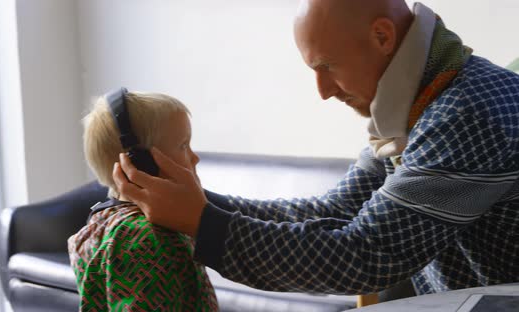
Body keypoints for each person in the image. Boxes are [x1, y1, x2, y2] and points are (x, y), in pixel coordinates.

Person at [112, 0, 519, 297]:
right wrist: (194, 204)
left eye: (327, 66)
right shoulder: (420, 103)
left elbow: (365, 253)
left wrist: (204, 224)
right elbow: (332, 211)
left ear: (382, 36)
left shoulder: (467, 111)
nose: (322, 92)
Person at [67, 91, 218, 311]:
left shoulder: (100, 224)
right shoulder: (145, 238)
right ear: (141, 164)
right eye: (183, 146)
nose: (195, 157)